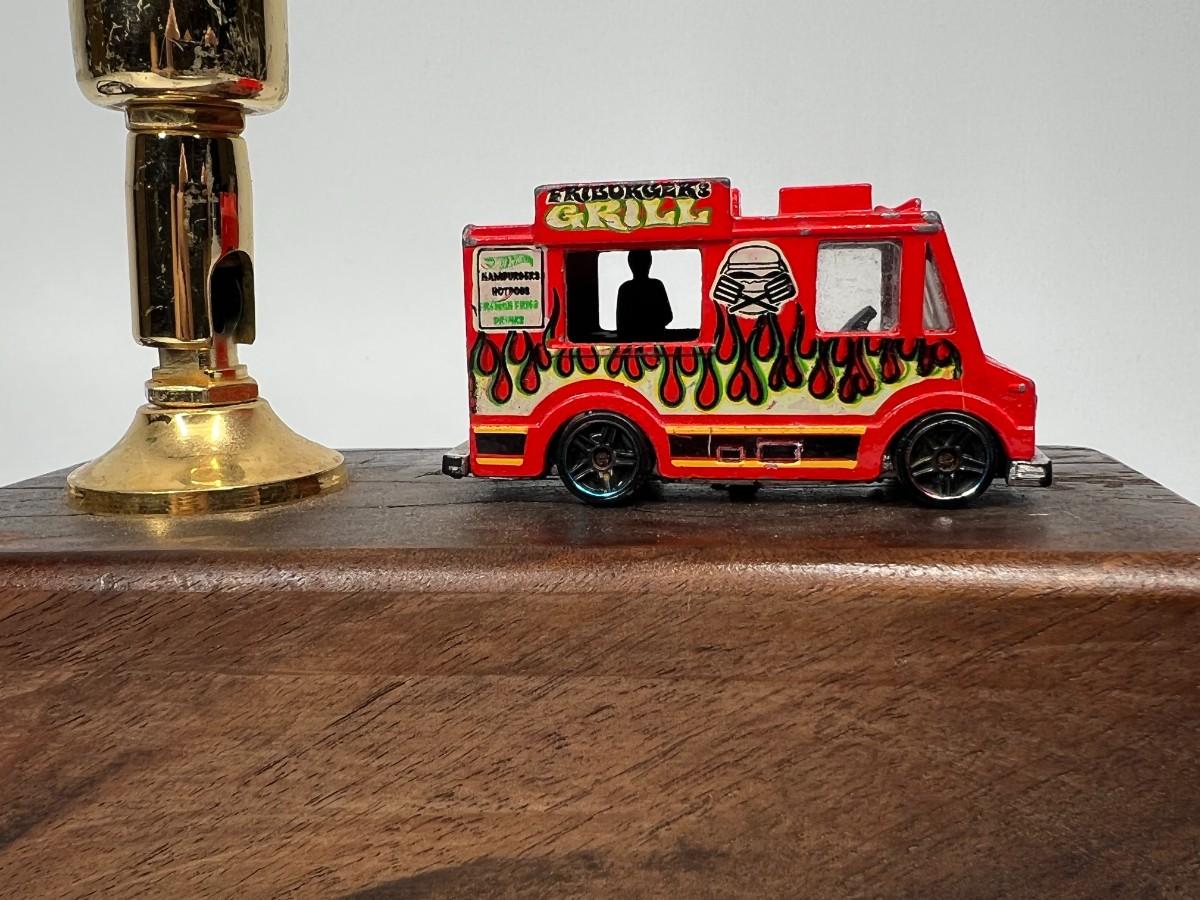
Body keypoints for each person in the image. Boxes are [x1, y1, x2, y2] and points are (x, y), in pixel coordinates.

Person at [615, 250, 673, 341]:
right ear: (650, 262)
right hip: (656, 339)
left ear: (630, 263)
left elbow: (621, 326)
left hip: (632, 341)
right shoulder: (656, 285)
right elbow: (668, 316)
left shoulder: (625, 288)